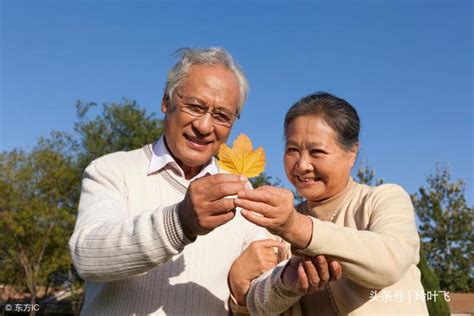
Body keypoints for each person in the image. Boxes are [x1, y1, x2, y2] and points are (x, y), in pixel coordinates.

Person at [69, 47, 283, 315]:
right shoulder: (111, 171)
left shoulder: (241, 191)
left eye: (221, 116)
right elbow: (86, 257)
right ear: (165, 101)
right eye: (194, 106)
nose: (204, 126)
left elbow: (261, 297)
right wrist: (181, 222)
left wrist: (287, 279)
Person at [230, 92, 429, 315]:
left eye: (317, 152)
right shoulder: (275, 233)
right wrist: (285, 283)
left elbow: (389, 263)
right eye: (292, 150)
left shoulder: (383, 199)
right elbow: (256, 305)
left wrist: (297, 227)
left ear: (351, 154)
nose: (302, 165)